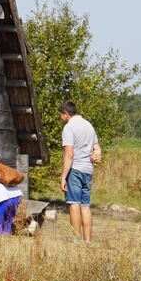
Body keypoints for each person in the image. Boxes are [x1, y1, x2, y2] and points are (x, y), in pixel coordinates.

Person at [58, 101, 102, 243]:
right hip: (88, 170)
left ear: (66, 113)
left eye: (61, 115)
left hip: (75, 170)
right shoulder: (89, 125)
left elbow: (69, 154)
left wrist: (64, 176)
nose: (60, 118)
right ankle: (87, 241)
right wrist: (96, 155)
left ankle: (76, 240)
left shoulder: (69, 128)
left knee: (73, 204)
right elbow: (97, 149)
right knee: (85, 205)